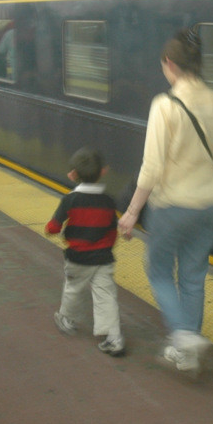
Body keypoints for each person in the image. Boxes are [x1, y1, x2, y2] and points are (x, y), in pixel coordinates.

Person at [118, 28, 213, 374]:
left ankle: (184, 337)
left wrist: (130, 213)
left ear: (169, 64)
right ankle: (189, 350)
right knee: (193, 275)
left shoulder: (165, 105)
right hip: (212, 205)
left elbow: (151, 168)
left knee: (157, 272)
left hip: (172, 207)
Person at [46, 148, 125, 356]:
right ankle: (113, 337)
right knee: (106, 295)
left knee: (73, 289)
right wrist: (105, 247)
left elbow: (53, 227)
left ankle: (66, 318)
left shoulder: (70, 200)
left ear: (72, 174)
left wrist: (51, 230)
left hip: (78, 258)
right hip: (103, 259)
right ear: (103, 171)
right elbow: (112, 232)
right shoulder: (108, 202)